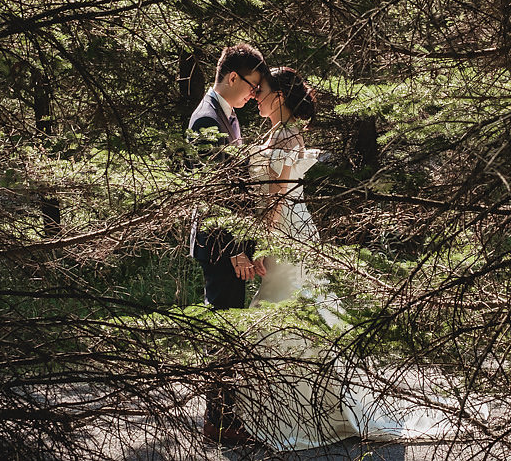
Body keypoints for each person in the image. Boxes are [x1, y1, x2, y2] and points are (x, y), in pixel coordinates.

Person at [235, 67, 483, 451]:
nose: (255, 96)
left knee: (291, 308)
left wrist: (266, 245)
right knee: (285, 309)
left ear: (279, 95)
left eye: (261, 90)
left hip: (288, 231)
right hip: (282, 226)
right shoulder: (274, 132)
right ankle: (284, 407)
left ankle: (307, 412)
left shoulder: (286, 133)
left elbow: (280, 194)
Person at [185, 43, 268, 445]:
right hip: (220, 245)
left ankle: (224, 418)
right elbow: (213, 192)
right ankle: (219, 425)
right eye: (252, 86)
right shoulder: (205, 119)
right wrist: (236, 247)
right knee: (225, 330)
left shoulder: (226, 113)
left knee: (230, 327)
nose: (255, 94)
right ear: (233, 77)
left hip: (231, 243)